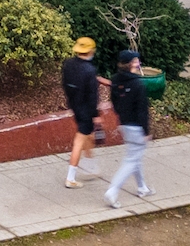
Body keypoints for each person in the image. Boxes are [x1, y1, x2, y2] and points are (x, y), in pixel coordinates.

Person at [105, 50, 153, 209]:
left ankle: (142, 188)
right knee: (131, 160)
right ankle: (112, 191)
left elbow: (114, 102)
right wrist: (146, 131)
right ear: (131, 64)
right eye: (136, 60)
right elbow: (142, 110)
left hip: (124, 124)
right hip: (137, 127)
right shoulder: (137, 84)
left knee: (134, 157)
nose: (138, 62)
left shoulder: (116, 80)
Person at [61, 37, 102, 188]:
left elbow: (65, 84)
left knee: (88, 136)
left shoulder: (68, 64)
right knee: (79, 141)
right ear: (90, 51)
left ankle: (90, 165)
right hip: (86, 110)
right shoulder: (89, 70)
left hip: (74, 105)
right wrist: (96, 115)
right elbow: (93, 96)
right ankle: (70, 178)